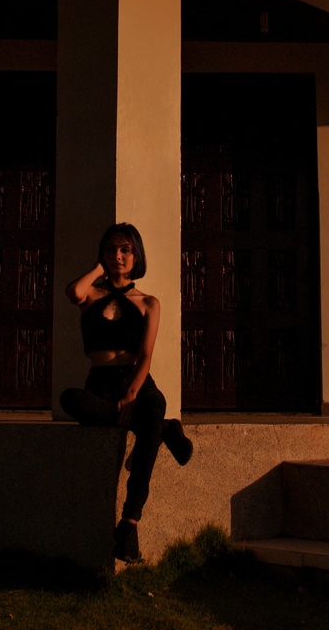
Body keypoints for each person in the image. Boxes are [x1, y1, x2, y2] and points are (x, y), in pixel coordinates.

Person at [60, 222, 193, 563]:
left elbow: (145, 356)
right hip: (101, 384)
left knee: (155, 403)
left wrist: (132, 393)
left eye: (125, 250)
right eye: (111, 250)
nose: (118, 256)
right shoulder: (90, 295)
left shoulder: (149, 303)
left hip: (135, 380)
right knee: (70, 399)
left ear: (137, 256)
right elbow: (73, 291)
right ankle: (162, 429)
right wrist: (98, 268)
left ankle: (129, 522)